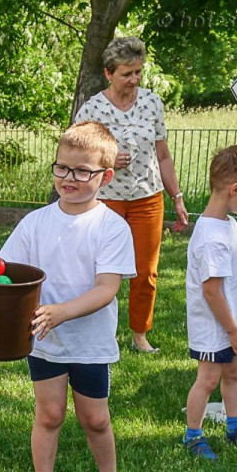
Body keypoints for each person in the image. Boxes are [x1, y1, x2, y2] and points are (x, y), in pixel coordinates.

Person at [0, 121, 146, 472]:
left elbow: (106, 289)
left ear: (105, 176)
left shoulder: (111, 227)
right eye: (62, 167)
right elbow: (9, 272)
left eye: (82, 171)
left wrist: (62, 312)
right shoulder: (35, 222)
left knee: (95, 418)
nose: (69, 178)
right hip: (44, 340)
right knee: (49, 415)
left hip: (90, 342)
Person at [74, 36, 189, 354]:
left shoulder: (152, 102)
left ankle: (140, 333)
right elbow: (77, 158)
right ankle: (94, 330)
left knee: (146, 271)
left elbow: (163, 155)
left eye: (138, 72)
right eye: (128, 73)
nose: (135, 79)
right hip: (104, 200)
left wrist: (176, 196)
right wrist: (106, 158)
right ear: (109, 73)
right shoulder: (93, 108)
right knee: (97, 271)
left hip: (147, 199)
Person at [182, 146, 237, 460]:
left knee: (234, 374)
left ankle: (235, 427)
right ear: (235, 189)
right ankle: (192, 435)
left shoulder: (227, 225)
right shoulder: (211, 238)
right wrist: (234, 330)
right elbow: (212, 292)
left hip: (231, 323)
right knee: (207, 380)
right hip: (214, 325)